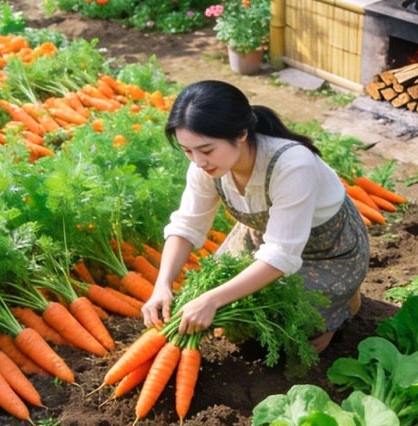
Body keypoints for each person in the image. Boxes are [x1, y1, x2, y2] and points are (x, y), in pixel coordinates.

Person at [141, 80, 370, 353]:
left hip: (329, 250)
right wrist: (162, 285)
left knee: (288, 331)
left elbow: (281, 253)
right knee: (240, 320)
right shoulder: (203, 168)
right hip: (262, 239)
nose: (198, 162)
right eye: (188, 151)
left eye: (206, 150)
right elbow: (187, 224)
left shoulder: (292, 164)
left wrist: (212, 300)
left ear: (240, 134)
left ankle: (345, 304)